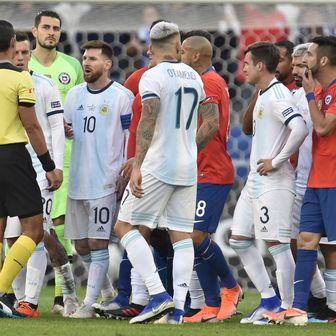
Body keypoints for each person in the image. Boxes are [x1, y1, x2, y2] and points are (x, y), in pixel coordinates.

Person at [113, 21, 217, 325]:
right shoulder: (195, 77)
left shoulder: (151, 76)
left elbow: (148, 117)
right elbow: (210, 121)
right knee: (181, 236)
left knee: (125, 227)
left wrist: (139, 164)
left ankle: (158, 296)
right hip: (187, 165)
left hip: (158, 163)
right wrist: (189, 149)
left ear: (150, 49)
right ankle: (179, 310)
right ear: (178, 47)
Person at [229, 41, 308, 324]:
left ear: (261, 65)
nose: (244, 68)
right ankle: (269, 299)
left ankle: (286, 308)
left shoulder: (278, 95)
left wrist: (277, 160)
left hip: (275, 180)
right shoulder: (263, 93)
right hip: (255, 181)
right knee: (238, 239)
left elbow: (299, 127)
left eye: (247, 63)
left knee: (278, 244)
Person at [4, 31, 77, 318]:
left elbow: (56, 129)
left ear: (30, 54)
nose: (21, 58)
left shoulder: (43, 85)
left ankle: (32, 301)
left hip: (39, 171)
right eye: (17, 53)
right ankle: (19, 298)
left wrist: (55, 166)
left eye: (25, 53)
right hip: (14, 167)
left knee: (38, 234)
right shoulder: (9, 82)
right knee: (13, 238)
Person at [264, 36, 336, 326]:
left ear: (323, 60)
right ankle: (299, 308)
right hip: (315, 181)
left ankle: (332, 306)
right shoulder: (320, 92)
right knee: (305, 241)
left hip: (333, 179)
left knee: (333, 246)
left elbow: (321, 128)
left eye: (312, 54)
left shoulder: (329, 92)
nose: (305, 61)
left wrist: (308, 93)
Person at [63, 40, 133, 318]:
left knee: (98, 242)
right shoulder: (74, 95)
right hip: (78, 179)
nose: (86, 63)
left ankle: (89, 305)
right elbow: (69, 130)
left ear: (107, 64)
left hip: (105, 180)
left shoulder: (121, 96)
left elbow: (129, 139)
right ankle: (106, 294)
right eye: (84, 58)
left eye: (93, 58)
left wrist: (124, 174)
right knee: (81, 245)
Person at [180, 31, 242, 323]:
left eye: (182, 52)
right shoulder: (203, 81)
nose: (179, 57)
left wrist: (183, 149)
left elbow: (210, 124)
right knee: (196, 238)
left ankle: (231, 286)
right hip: (199, 170)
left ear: (194, 56)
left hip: (212, 171)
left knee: (195, 235)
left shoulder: (209, 82)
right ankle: (210, 304)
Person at [29, 10, 84, 314]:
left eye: (56, 28)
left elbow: (78, 103)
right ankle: (23, 294)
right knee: (34, 228)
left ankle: (63, 298)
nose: (51, 33)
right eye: (46, 27)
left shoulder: (72, 66)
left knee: (61, 226)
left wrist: (70, 123)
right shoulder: (26, 64)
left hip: (66, 157)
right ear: (34, 31)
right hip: (30, 158)